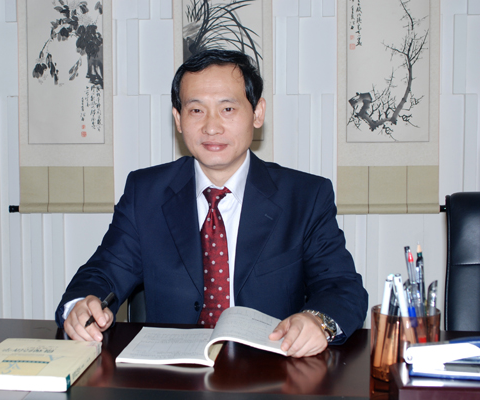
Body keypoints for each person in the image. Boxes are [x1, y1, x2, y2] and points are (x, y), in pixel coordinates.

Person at [56, 49, 368, 358]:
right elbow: (104, 273)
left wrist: (319, 322)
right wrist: (80, 305)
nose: (211, 127)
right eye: (196, 110)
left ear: (257, 113)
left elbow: (341, 286)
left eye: (227, 109)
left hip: (271, 369)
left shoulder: (305, 196)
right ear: (178, 119)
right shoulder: (146, 193)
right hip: (171, 373)